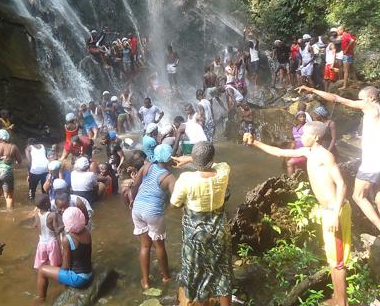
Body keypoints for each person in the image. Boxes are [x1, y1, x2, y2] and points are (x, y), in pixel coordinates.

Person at [247, 122, 350, 306]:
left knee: (338, 261)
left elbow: (342, 184)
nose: (300, 138)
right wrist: (255, 142)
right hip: (328, 211)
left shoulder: (326, 156)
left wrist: (335, 213)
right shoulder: (307, 152)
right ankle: (336, 297)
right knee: (332, 258)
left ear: (316, 137)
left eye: (304, 135)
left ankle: (342, 303)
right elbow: (280, 153)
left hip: (335, 211)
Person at [299, 85, 380, 240]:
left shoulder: (370, 106)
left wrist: (313, 90)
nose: (359, 102)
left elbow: (337, 99)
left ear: (371, 98)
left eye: (361, 98)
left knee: (358, 196)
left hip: (373, 159)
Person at [170, 142, 233, 306]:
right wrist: (195, 158)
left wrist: (190, 159)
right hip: (219, 229)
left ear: (195, 160)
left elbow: (174, 204)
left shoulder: (186, 179)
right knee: (222, 271)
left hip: (195, 234)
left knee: (194, 271)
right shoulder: (224, 171)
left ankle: (197, 300)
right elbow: (215, 162)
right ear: (212, 158)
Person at [130, 144, 176, 290]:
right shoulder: (169, 177)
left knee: (144, 246)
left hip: (138, 208)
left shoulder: (147, 167)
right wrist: (169, 209)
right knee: (159, 246)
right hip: (153, 211)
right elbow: (175, 201)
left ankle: (146, 281)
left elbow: (135, 186)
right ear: (170, 159)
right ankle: (166, 276)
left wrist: (132, 200)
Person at [36, 207, 93, 303]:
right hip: (89, 273)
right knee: (61, 272)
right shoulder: (87, 232)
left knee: (42, 270)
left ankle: (41, 300)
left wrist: (58, 274)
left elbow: (65, 266)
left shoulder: (68, 239)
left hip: (79, 279)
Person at [0, 129, 22, 210]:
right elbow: (20, 161)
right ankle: (10, 217)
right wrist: (14, 160)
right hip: (7, 173)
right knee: (9, 197)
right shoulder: (13, 147)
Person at [34, 194, 62, 270]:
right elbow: (57, 230)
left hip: (41, 244)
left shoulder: (36, 215)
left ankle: (42, 278)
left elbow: (35, 225)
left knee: (41, 265)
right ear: (47, 204)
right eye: (49, 201)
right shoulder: (52, 215)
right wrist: (65, 224)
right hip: (52, 244)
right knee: (55, 267)